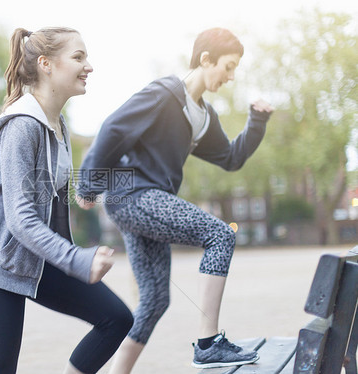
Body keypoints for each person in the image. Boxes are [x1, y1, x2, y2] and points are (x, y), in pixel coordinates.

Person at [76, 27, 274, 371]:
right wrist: (88, 186)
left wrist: (257, 121)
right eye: (227, 67)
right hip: (133, 195)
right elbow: (114, 128)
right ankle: (209, 343)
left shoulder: (204, 115)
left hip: (146, 202)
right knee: (220, 235)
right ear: (205, 59)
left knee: (154, 300)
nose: (230, 77)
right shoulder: (166, 93)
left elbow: (230, 158)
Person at [0, 27, 133, 374]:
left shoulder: (58, 124)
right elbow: (20, 217)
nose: (89, 66)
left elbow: (50, 194)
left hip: (38, 258)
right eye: (78, 57)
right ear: (46, 64)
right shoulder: (22, 126)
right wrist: (76, 260)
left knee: (116, 319)